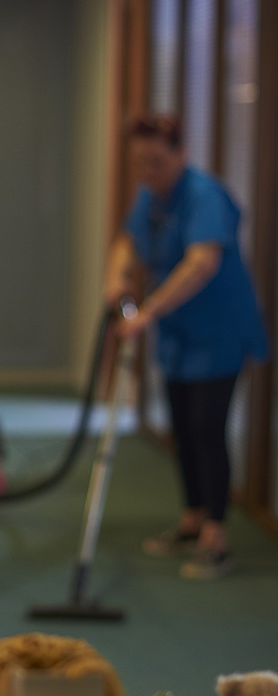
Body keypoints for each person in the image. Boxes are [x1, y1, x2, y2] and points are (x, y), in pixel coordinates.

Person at [103, 113, 268, 580]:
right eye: (139, 163)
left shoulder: (204, 195)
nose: (147, 173)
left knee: (207, 428)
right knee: (182, 427)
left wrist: (149, 311)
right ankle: (192, 518)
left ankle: (217, 537)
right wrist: (114, 277)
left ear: (181, 154)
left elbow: (203, 262)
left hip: (218, 331)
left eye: (156, 162)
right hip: (179, 335)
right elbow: (127, 242)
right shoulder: (151, 197)